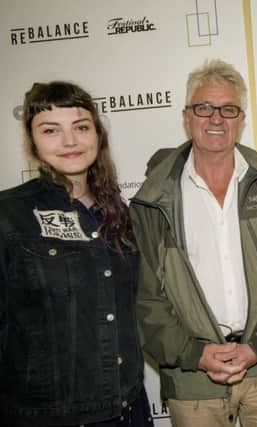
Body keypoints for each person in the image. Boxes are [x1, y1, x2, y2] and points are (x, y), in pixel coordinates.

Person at [130, 58, 257, 427]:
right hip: (193, 376)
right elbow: (148, 297)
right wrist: (195, 354)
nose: (216, 119)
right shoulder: (154, 196)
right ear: (187, 116)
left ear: (241, 120)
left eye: (228, 109)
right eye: (204, 107)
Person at [0, 81, 153, 426]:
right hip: (49, 417)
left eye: (81, 127)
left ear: (97, 135)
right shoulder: (9, 215)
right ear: (32, 142)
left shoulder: (118, 216)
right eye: (51, 130)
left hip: (129, 407)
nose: (70, 141)